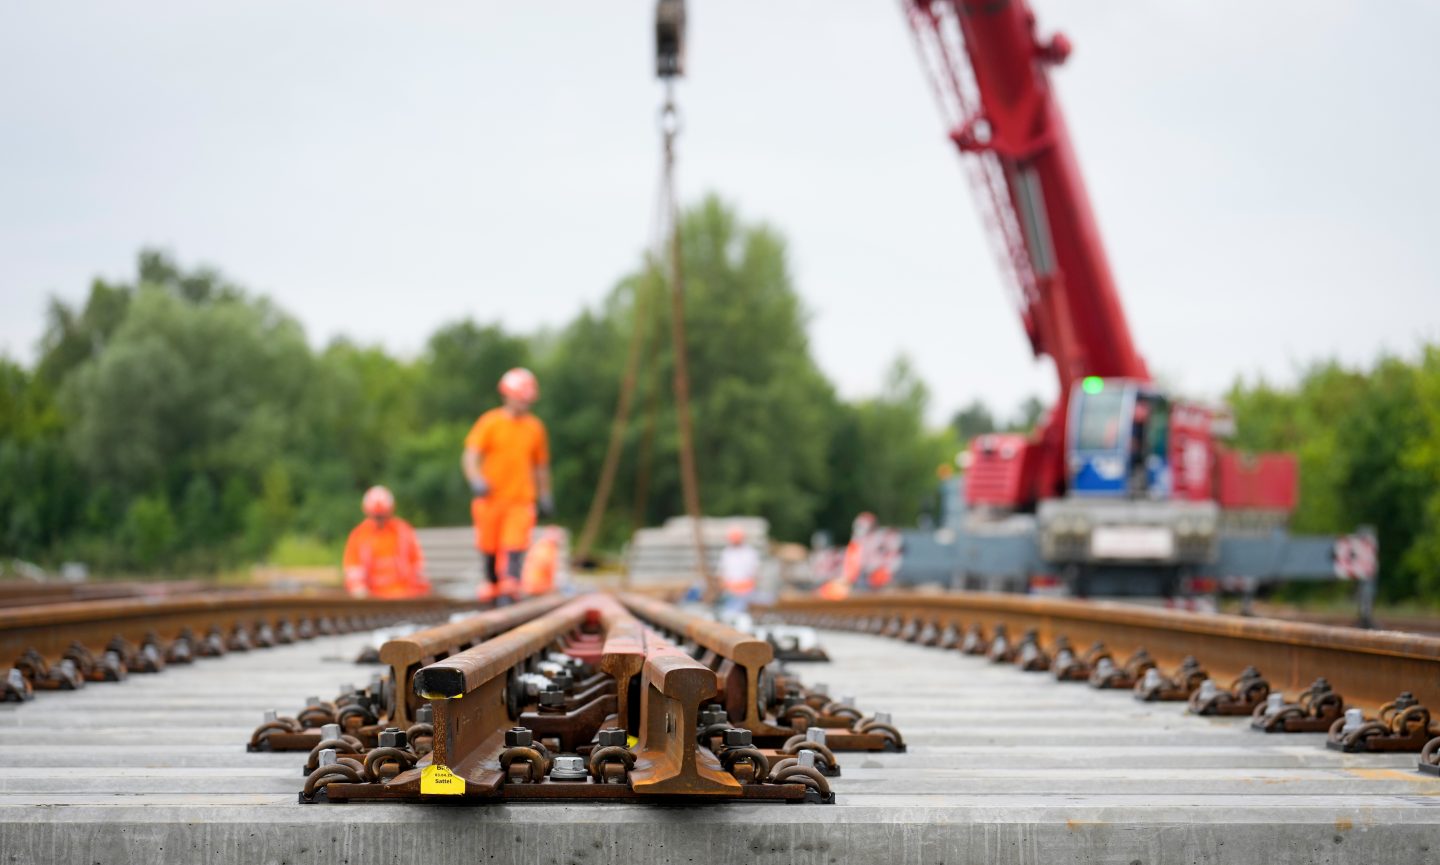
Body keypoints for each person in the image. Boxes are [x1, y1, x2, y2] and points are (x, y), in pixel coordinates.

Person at [462, 367, 554, 603]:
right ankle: (492, 585)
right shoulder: (490, 422)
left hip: (520, 499)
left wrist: (545, 495)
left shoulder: (535, 427)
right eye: (520, 399)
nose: (524, 404)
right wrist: (476, 479)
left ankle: (511, 586)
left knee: (515, 544)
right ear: (508, 395)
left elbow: (540, 466)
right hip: (490, 498)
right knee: (489, 547)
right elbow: (471, 455)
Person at [342, 486, 429, 599]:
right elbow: (352, 570)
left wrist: (418, 593)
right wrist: (359, 591)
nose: (379, 520)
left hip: (404, 596)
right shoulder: (359, 536)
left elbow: (417, 565)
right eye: (376, 516)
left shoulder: (403, 532)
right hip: (372, 599)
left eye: (382, 516)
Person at [718, 524, 760, 609]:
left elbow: (755, 575)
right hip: (729, 591)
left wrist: (743, 587)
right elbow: (722, 574)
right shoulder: (726, 553)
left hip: (746, 591)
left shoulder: (750, 553)